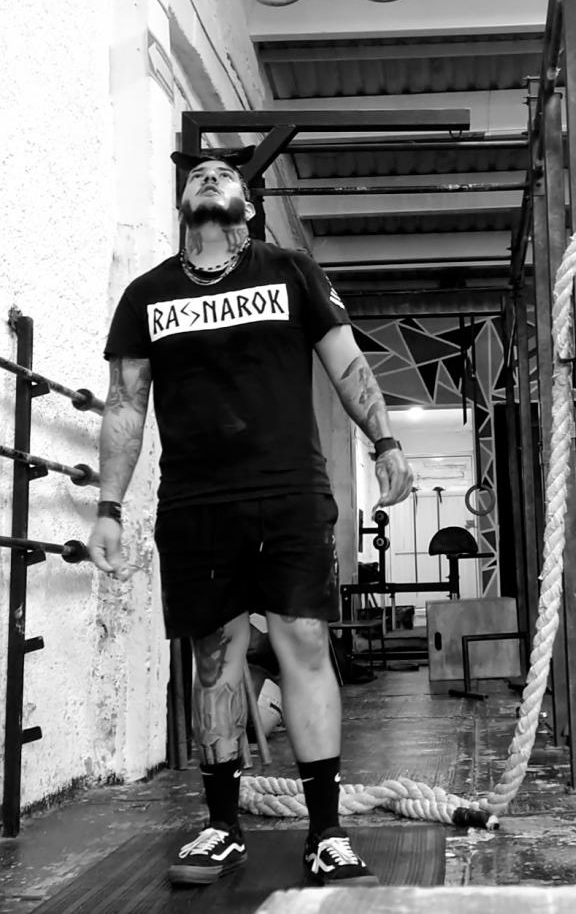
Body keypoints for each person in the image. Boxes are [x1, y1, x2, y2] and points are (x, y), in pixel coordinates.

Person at [88, 145, 413, 889]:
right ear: (182, 203)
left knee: (303, 641)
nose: (208, 176)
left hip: (289, 489)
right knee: (215, 658)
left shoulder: (291, 271)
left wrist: (386, 441)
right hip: (196, 501)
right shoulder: (146, 294)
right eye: (197, 174)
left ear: (249, 204)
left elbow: (347, 362)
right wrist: (108, 507)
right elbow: (125, 404)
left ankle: (326, 832)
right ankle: (222, 826)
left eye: (225, 174)